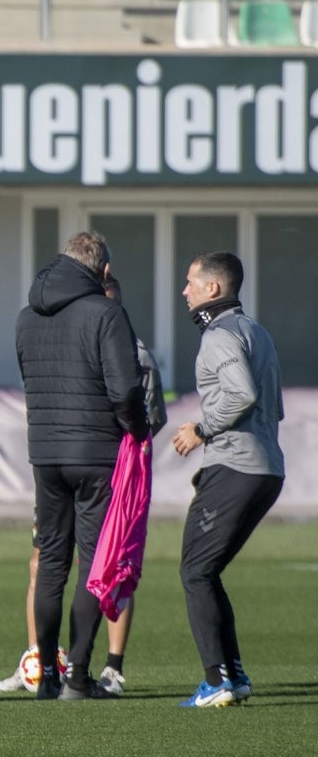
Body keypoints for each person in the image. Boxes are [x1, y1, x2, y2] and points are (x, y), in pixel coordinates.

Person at [0, 274, 165, 696]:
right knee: (46, 562)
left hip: (103, 469)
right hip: (61, 466)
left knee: (108, 567)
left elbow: (148, 417)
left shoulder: (134, 352)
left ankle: (109, 667)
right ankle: (41, 660)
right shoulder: (63, 339)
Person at [171, 251, 284, 709]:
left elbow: (242, 393)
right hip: (268, 468)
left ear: (213, 289)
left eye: (190, 282)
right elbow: (271, 409)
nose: (184, 291)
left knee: (194, 571)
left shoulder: (218, 335)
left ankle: (217, 681)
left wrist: (200, 429)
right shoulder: (257, 331)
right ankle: (233, 676)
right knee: (207, 571)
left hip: (235, 465)